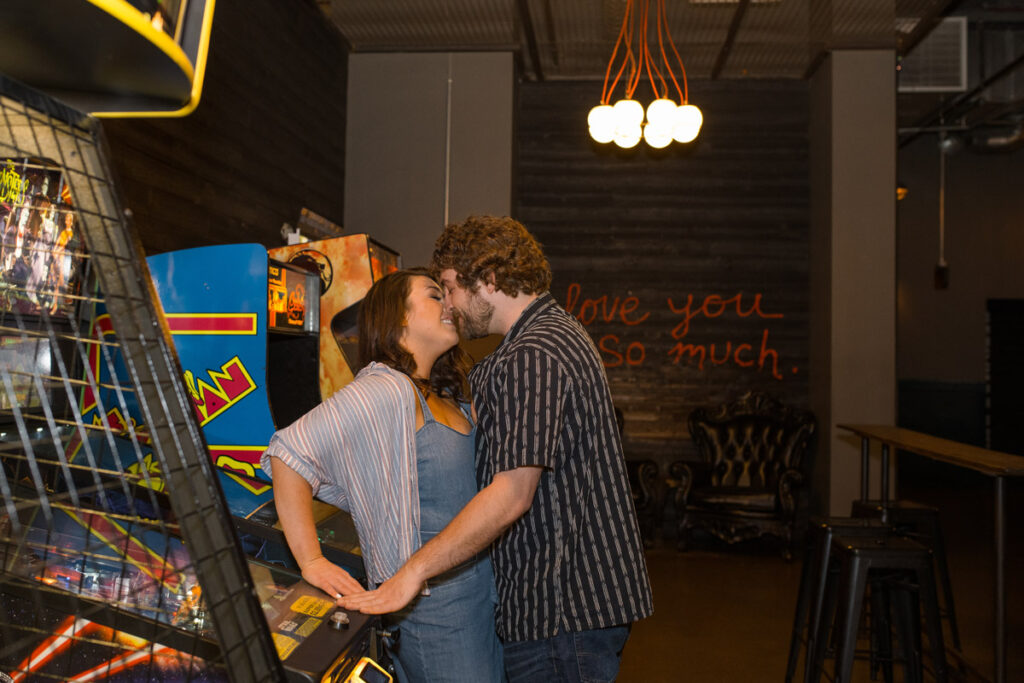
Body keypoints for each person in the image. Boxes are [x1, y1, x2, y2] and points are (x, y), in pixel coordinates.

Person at [341, 216, 653, 682]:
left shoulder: (535, 351)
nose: (447, 305)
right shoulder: (552, 333)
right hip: (573, 610)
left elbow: (512, 494)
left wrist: (411, 573)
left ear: (487, 279)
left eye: (447, 287)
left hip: (560, 613)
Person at [260, 268, 504, 683]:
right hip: (435, 611)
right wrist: (312, 560)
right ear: (399, 319)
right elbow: (288, 452)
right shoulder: (387, 387)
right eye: (434, 295)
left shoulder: (444, 394)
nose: (448, 304)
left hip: (480, 594)